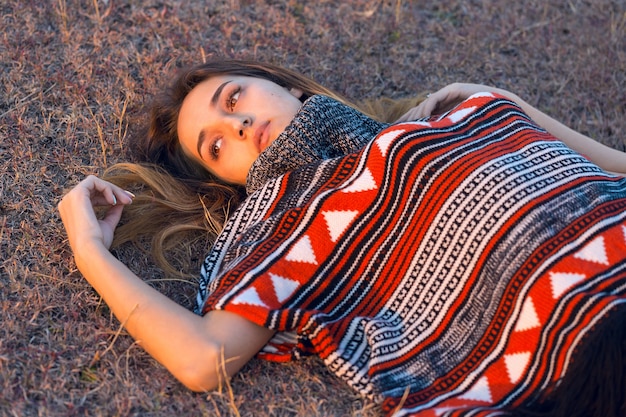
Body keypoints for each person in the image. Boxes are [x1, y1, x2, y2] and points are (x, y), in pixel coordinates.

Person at [58, 59, 626, 417]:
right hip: (584, 351)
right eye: (214, 147)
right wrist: (89, 250)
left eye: (234, 99)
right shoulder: (280, 230)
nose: (236, 125)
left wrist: (492, 96)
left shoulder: (464, 114)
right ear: (223, 181)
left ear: (278, 84)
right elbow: (205, 358)